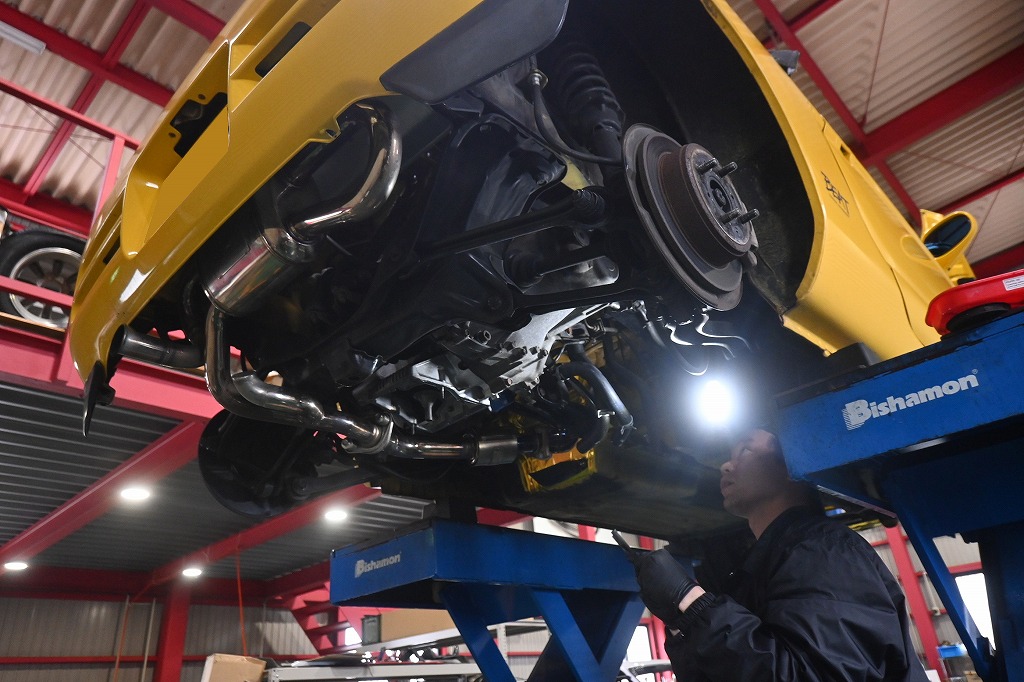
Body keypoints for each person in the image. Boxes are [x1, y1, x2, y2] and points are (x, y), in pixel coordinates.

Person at [634, 428, 929, 681]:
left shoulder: (822, 550)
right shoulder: (767, 563)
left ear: (791, 464)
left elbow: (812, 675)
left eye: (745, 450)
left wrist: (691, 603)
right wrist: (680, 621)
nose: (725, 466)